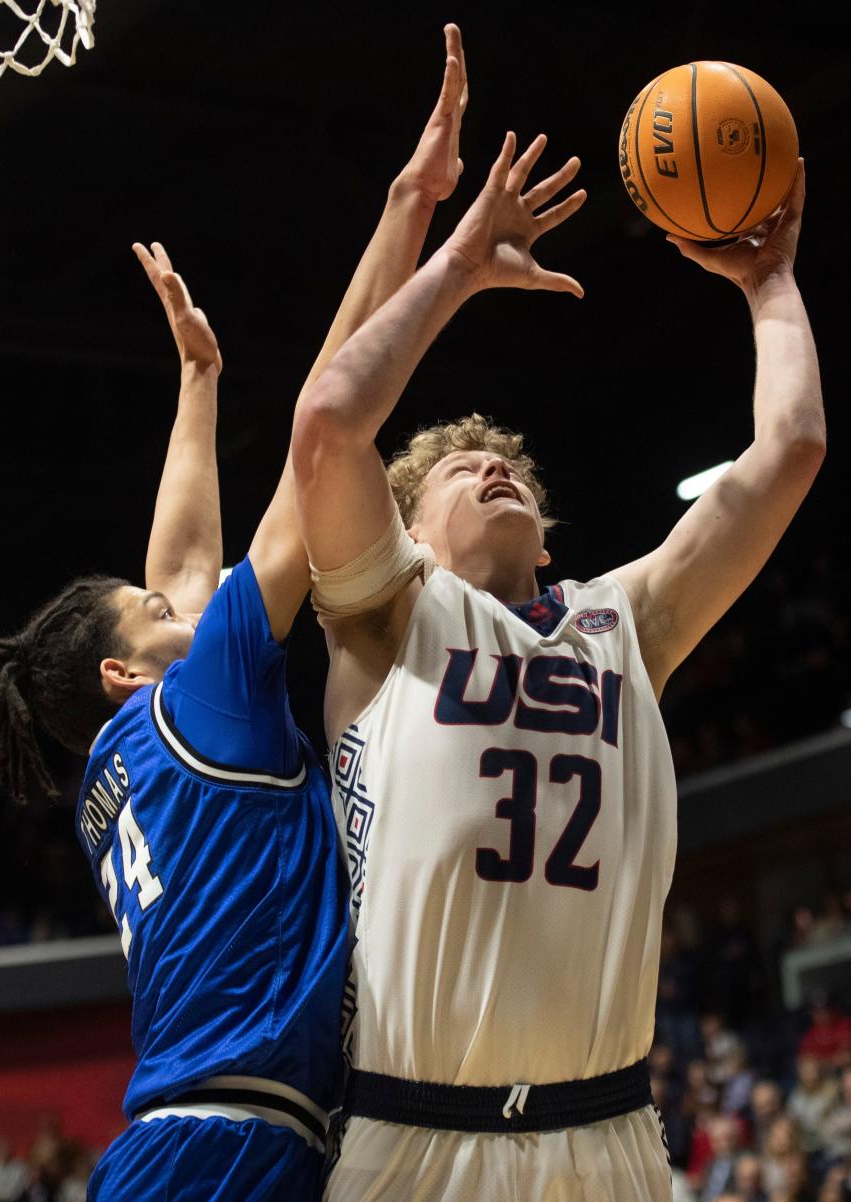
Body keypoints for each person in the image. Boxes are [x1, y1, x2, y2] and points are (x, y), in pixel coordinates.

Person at [0, 25, 472, 1202]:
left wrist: (200, 385)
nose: (196, 597)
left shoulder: (138, 745)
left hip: (194, 1137)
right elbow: (327, 421)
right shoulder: (181, 711)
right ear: (128, 670)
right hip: (230, 1144)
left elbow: (177, 562)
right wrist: (408, 213)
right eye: (164, 609)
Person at [292, 94, 824, 1199]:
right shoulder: (385, 616)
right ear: (405, 529)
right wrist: (454, 267)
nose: (495, 470)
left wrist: (769, 287)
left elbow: (792, 448)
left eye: (516, 470)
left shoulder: (625, 619)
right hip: (412, 1136)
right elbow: (331, 422)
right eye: (457, 469)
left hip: (612, 1134)